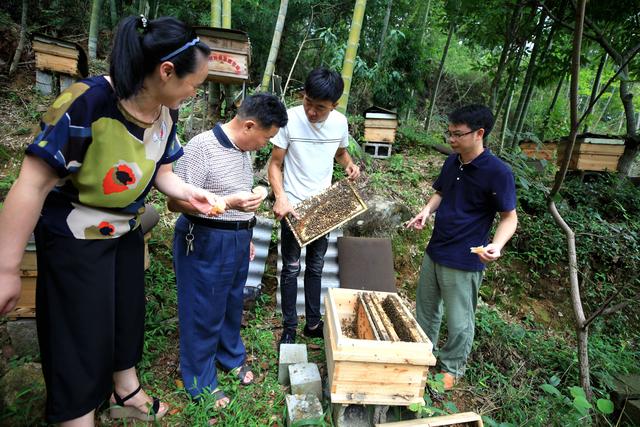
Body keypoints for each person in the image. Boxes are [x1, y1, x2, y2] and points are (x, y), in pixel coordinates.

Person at [0, 15, 222, 426]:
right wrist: (7, 269)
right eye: (195, 83)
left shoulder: (164, 110)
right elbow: (32, 183)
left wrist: (190, 193)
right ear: (166, 71)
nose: (196, 92)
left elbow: (160, 171)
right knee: (78, 336)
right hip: (74, 234)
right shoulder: (88, 101)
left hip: (125, 230)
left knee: (125, 316)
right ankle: (76, 415)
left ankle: (126, 387)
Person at [168, 93, 288, 407]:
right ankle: (199, 379)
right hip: (206, 239)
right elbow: (174, 201)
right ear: (249, 125)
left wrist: (245, 232)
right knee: (203, 310)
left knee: (232, 304)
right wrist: (228, 204)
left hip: (235, 239)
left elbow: (237, 201)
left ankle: (229, 356)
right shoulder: (201, 147)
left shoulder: (242, 150)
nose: (266, 144)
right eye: (266, 137)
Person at [406, 104, 518, 390]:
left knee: (459, 322)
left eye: (458, 134)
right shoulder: (453, 161)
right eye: (449, 133)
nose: (451, 139)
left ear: (479, 134)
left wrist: (496, 244)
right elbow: (441, 192)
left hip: (465, 259)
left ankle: (452, 369)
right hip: (435, 250)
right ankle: (422, 357)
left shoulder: (498, 172)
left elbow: (509, 217)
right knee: (426, 312)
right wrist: (426, 211)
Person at [268, 67, 360, 347]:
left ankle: (312, 323)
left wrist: (350, 166)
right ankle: (289, 326)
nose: (311, 112)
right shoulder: (289, 120)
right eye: (308, 103)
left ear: (334, 106)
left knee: (316, 267)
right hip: (294, 205)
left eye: (320, 108)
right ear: (302, 96)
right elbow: (275, 163)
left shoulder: (340, 123)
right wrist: (280, 196)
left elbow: (341, 153)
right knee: (291, 267)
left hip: (324, 207)